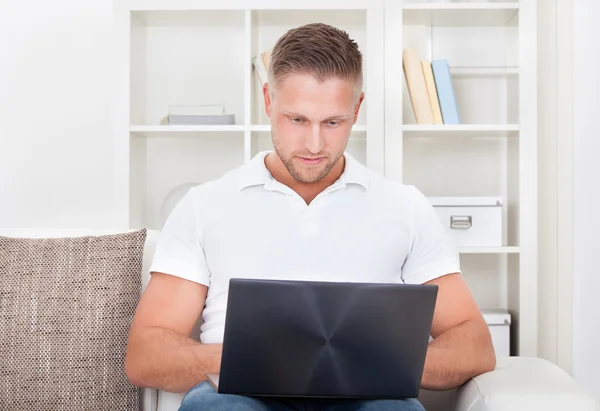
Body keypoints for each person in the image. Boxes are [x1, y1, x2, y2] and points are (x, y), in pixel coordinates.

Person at [124, 22, 496, 411]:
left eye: (332, 122)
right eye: (297, 120)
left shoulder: (405, 206)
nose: (314, 145)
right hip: (239, 395)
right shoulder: (205, 205)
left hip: (369, 395)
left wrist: (376, 359)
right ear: (268, 101)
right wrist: (246, 357)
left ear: (357, 108)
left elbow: (473, 344)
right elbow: (147, 354)